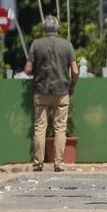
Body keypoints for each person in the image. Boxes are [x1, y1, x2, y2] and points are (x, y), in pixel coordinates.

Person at [26, 15, 77, 171]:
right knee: (60, 128)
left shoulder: (36, 44)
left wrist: (36, 72)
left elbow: (28, 69)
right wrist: (72, 86)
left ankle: (38, 164)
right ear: (58, 28)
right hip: (62, 91)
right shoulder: (67, 45)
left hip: (41, 91)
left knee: (40, 127)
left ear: (44, 29)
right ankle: (59, 163)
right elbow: (75, 71)